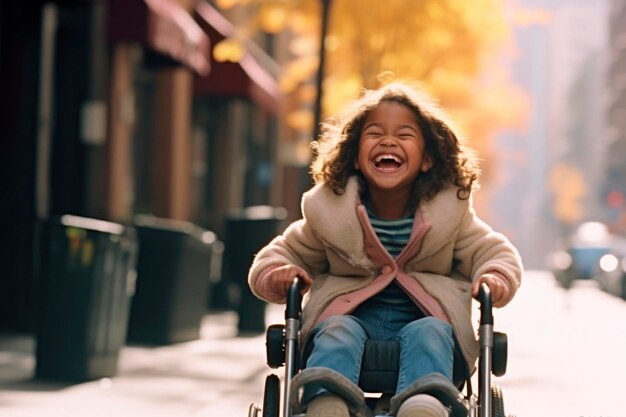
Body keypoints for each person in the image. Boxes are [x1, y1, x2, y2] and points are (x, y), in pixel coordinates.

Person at [248, 81, 523, 417]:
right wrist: (279, 273)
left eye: (404, 135)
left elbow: (493, 251)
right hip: (348, 319)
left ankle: (423, 406)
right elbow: (280, 253)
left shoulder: (449, 214)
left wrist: (494, 275)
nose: (388, 140)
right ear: (355, 155)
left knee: (432, 332)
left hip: (424, 321)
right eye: (375, 133)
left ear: (427, 159)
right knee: (337, 330)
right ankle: (327, 402)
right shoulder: (331, 213)